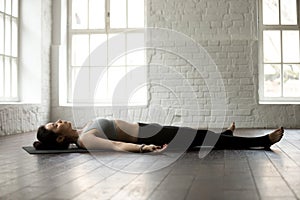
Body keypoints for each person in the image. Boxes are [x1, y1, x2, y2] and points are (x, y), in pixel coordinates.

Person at [33, 118, 284, 153]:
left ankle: (225, 133)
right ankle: (262, 141)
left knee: (201, 135)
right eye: (56, 126)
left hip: (147, 128)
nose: (60, 121)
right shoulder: (85, 139)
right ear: (59, 138)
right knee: (205, 140)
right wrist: (144, 149)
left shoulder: (82, 130)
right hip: (146, 137)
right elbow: (118, 145)